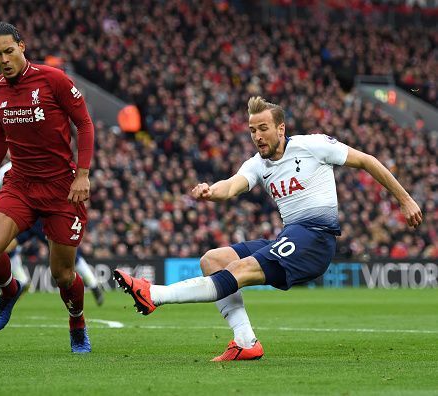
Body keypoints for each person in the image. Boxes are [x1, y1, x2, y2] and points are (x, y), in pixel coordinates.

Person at [114, 96, 423, 361]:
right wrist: (211, 190)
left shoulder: (313, 146)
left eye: (263, 129)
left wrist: (405, 200)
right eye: (252, 131)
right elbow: (233, 185)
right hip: (290, 236)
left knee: (244, 268)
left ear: (280, 128)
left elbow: (367, 160)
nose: (258, 136)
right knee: (213, 260)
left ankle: (154, 293)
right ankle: (246, 342)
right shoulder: (258, 165)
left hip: (316, 238)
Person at [0, 22, 94, 353]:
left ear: (22, 46)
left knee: (62, 276)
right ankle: (11, 290)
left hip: (61, 187)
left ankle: (77, 323)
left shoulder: (53, 79)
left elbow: (84, 123)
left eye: (9, 51)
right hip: (20, 184)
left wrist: (83, 173)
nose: (4, 59)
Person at [0, 161, 104, 305]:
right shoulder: (8, 168)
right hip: (24, 215)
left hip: (44, 218)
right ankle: (22, 281)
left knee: (66, 256)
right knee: (4, 247)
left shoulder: (47, 161)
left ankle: (93, 284)